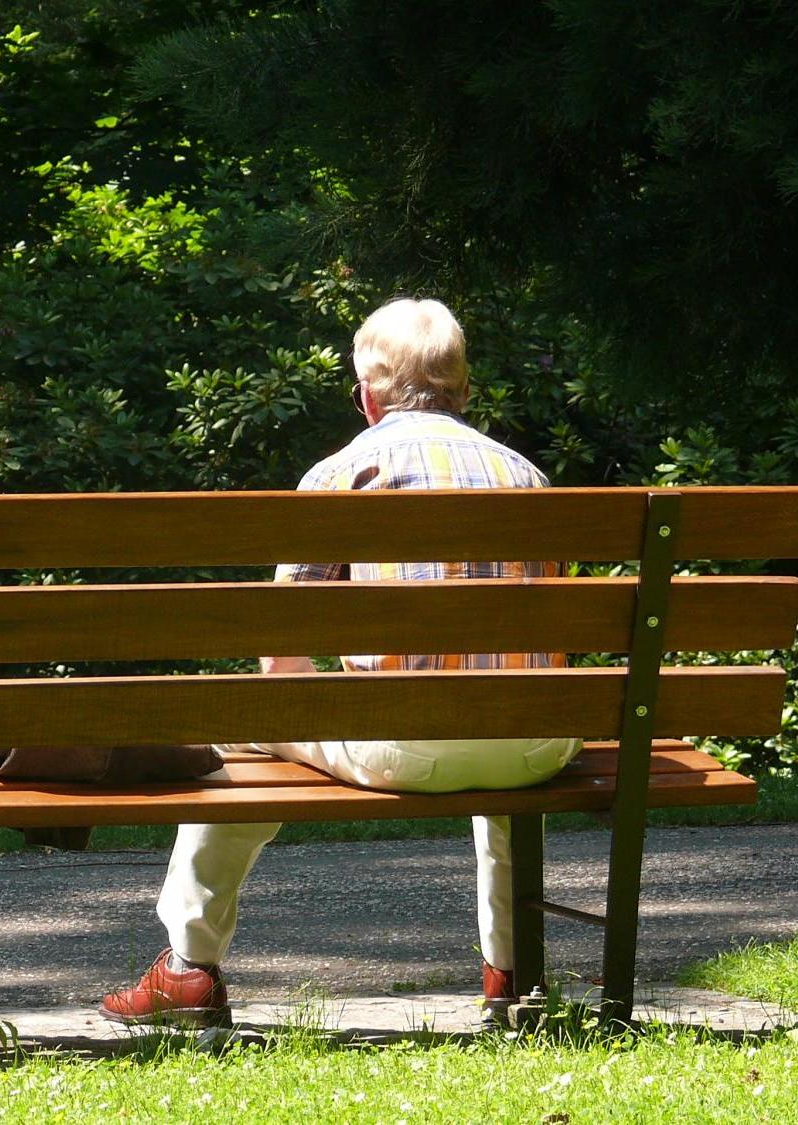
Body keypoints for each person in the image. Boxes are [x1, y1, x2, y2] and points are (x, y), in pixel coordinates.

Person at [99, 298, 581, 1028]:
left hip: (402, 749)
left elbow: (283, 653)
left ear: (367, 392)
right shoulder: (527, 477)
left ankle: (187, 969)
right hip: (536, 746)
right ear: (464, 390)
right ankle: (508, 971)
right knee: (496, 709)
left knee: (242, 727)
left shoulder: (346, 470)